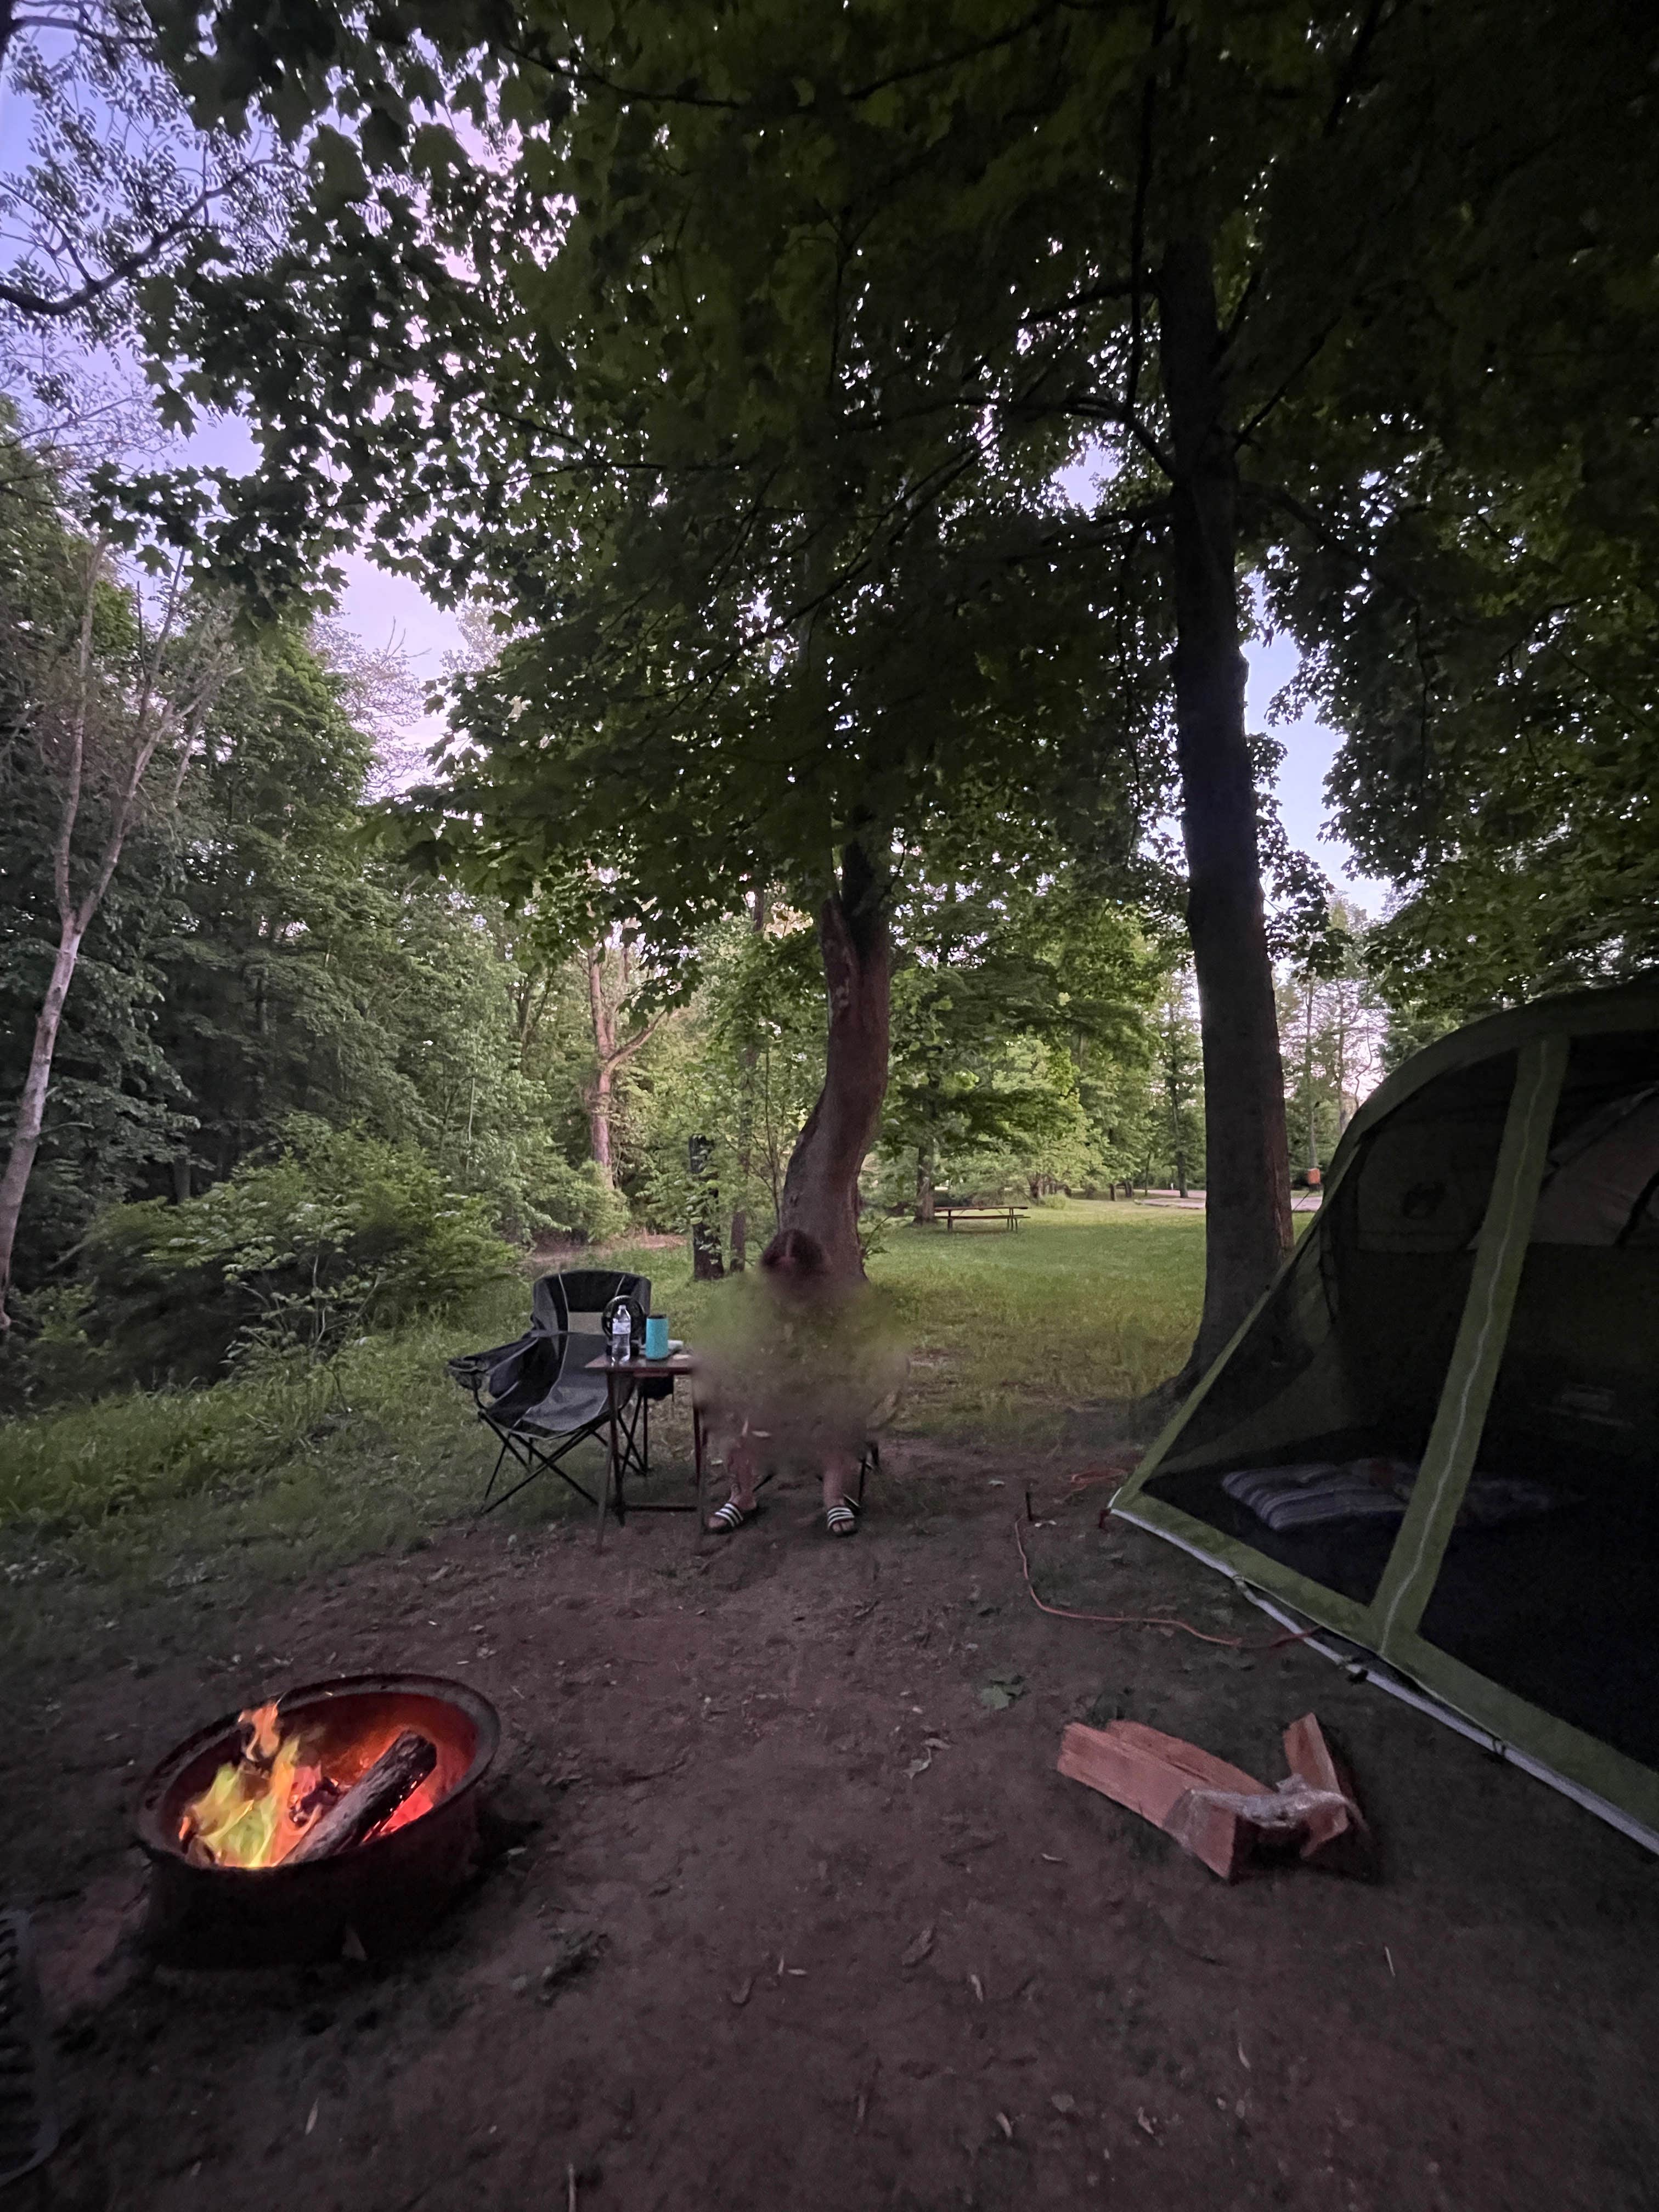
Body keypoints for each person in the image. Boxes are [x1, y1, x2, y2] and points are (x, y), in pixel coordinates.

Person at [696, 1227, 903, 1539]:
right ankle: (741, 1497)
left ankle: (835, 1498)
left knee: (838, 1418)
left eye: (797, 1275)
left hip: (825, 1399)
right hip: (770, 1402)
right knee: (732, 1417)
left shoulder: (836, 1306)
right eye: (781, 1275)